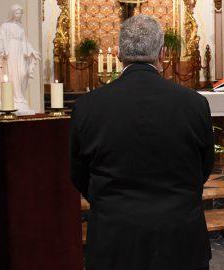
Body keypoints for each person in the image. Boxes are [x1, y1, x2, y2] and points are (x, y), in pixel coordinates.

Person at [70, 15, 214, 270]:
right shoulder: (194, 104)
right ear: (162, 54)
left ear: (118, 54)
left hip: (115, 239)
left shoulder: (88, 106)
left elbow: (78, 174)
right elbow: (204, 167)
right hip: (179, 238)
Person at [0, 4, 40, 114]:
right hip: (11, 53)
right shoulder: (5, 26)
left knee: (23, 73)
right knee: (12, 74)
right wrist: (2, 49)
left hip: (20, 53)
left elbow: (25, 41)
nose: (18, 15)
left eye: (20, 13)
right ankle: (13, 98)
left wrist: (32, 51)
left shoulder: (20, 27)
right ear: (12, 14)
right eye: (16, 13)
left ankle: (19, 97)